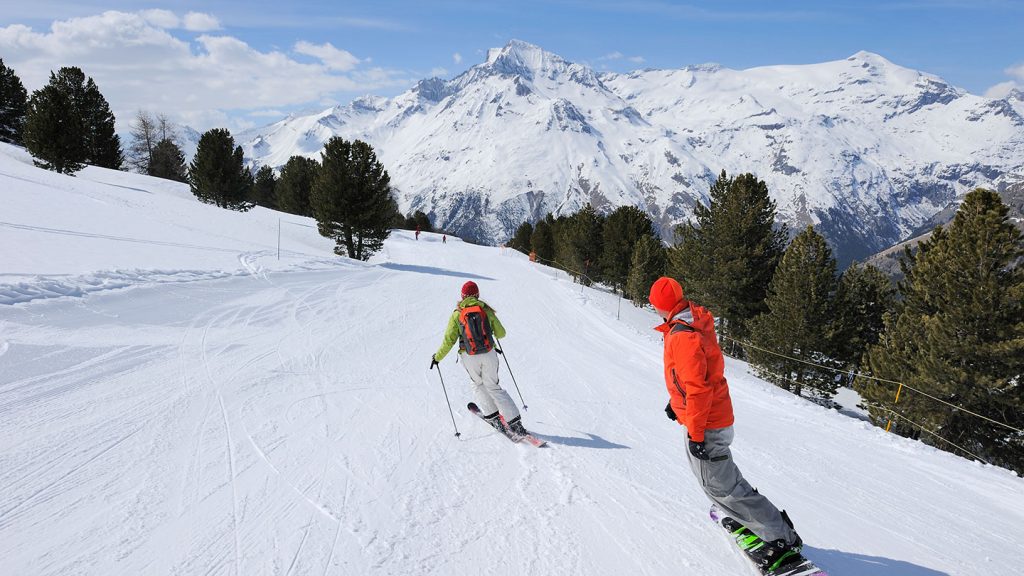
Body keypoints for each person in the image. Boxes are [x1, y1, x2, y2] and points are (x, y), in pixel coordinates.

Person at [648, 276, 803, 569]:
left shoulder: (682, 335)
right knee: (716, 482)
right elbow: (694, 377)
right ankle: (758, 522)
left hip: (706, 423)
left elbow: (698, 388)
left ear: (661, 305)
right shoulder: (687, 322)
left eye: (653, 303)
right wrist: (676, 403)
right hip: (705, 416)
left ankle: (779, 537)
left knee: (724, 487)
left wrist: (695, 433)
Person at [430, 281, 530, 437]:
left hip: (469, 357)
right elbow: (501, 333)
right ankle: (515, 423)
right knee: (493, 386)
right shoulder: (485, 310)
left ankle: (493, 417)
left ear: (462, 296)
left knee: (478, 384)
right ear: (477, 294)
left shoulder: (457, 313)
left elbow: (448, 341)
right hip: (489, 354)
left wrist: (437, 357)